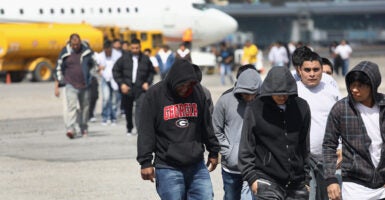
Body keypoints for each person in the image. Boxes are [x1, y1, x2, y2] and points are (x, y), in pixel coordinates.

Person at [137, 59, 220, 200]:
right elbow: (146, 131)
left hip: (196, 165)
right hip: (168, 166)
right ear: (173, 80)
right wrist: (145, 162)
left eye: (189, 85)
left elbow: (206, 124)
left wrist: (213, 150)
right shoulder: (154, 95)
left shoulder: (197, 92)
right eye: (181, 85)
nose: (185, 89)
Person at [239, 66, 311, 200]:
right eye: (278, 93)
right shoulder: (255, 109)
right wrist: (252, 177)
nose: (282, 97)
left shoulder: (302, 107)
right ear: (269, 90)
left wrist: (306, 179)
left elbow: (304, 146)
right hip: (266, 180)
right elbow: (246, 147)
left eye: (286, 93)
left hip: (297, 182)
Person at [323, 61, 385, 200]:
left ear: (373, 85)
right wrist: (331, 179)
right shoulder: (340, 109)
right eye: (352, 84)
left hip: (382, 183)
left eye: (360, 85)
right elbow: (328, 145)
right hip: (354, 185)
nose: (354, 89)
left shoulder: (383, 106)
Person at [296, 51, 341, 200]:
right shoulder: (293, 92)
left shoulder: (331, 89)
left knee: (330, 196)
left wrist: (341, 147)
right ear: (299, 71)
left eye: (316, 70)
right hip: (303, 159)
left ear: (322, 69)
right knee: (309, 196)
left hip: (329, 158)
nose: (312, 74)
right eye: (307, 70)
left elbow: (341, 121)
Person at [213, 68, 262, 200]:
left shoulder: (264, 102)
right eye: (246, 93)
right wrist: (227, 151)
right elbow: (216, 129)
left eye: (253, 94)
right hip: (231, 168)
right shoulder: (225, 101)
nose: (250, 97)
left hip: (255, 167)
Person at [54, 33, 97, 139]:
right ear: (70, 43)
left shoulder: (86, 52)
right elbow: (59, 67)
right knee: (71, 107)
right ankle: (71, 128)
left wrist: (91, 76)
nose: (76, 47)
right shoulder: (65, 52)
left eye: (77, 44)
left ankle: (84, 127)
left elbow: (94, 65)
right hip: (70, 84)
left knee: (85, 108)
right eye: (74, 45)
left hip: (84, 84)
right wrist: (60, 80)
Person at [112, 38, 155, 136]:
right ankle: (129, 127)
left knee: (141, 109)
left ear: (140, 47)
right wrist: (121, 84)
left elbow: (151, 72)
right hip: (127, 88)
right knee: (128, 109)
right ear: (130, 48)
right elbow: (115, 70)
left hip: (141, 88)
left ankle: (140, 129)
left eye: (137, 48)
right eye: (133, 48)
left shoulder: (145, 59)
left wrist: (147, 82)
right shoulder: (124, 58)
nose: (135, 50)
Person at [98, 40, 122, 125]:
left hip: (114, 79)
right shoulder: (100, 56)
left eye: (109, 50)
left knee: (114, 100)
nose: (108, 52)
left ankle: (113, 117)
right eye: (106, 51)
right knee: (106, 98)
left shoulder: (118, 55)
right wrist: (99, 69)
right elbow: (96, 68)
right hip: (105, 79)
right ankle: (105, 117)